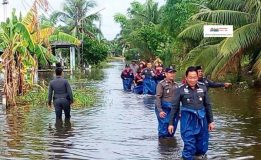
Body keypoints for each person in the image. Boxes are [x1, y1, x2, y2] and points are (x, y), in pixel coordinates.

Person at [168, 66, 215, 160]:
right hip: (187, 120)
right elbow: (174, 108)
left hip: (202, 119)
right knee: (189, 144)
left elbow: (208, 105)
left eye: (194, 77)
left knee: (202, 144)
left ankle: (199, 157)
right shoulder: (180, 90)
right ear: (186, 77)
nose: (192, 80)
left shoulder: (203, 88)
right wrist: (171, 124)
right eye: (190, 77)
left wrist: (211, 121)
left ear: (197, 77)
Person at [155, 67, 179, 138]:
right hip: (164, 108)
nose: (172, 74)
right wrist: (160, 111)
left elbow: (178, 99)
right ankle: (162, 146)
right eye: (170, 73)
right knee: (164, 126)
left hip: (173, 109)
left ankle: (171, 147)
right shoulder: (161, 84)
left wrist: (179, 111)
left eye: (173, 73)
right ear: (165, 74)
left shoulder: (176, 85)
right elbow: (158, 97)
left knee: (173, 127)